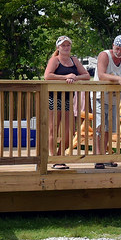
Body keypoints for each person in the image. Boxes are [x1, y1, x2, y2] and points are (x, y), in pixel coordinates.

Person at [43, 36, 90, 169]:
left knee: (70, 132)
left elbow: (86, 76)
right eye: (63, 45)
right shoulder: (55, 60)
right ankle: (54, 159)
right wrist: (65, 77)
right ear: (58, 47)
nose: (66, 47)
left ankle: (59, 156)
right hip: (54, 98)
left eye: (68, 45)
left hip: (68, 100)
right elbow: (47, 76)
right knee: (53, 129)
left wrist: (74, 77)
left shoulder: (74, 60)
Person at [92, 35, 121, 168]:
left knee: (108, 128)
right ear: (113, 46)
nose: (119, 52)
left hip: (114, 97)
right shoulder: (104, 55)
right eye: (117, 48)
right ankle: (97, 157)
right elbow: (101, 75)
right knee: (99, 126)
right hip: (99, 94)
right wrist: (118, 79)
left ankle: (104, 156)